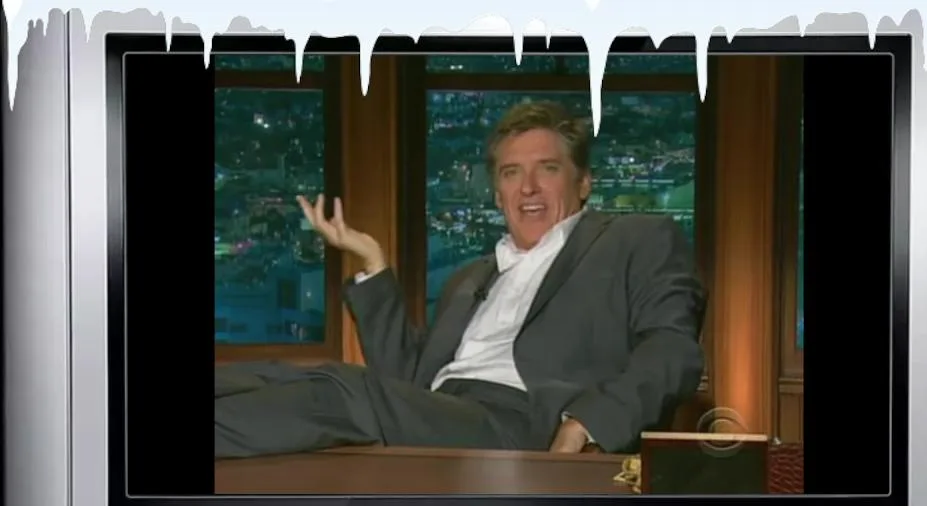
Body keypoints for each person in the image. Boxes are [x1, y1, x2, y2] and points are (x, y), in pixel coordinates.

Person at [215, 101, 705, 457]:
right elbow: (403, 382)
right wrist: (372, 262)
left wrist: (588, 423)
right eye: (511, 173)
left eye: (548, 169)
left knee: (340, 390)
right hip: (443, 414)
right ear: (497, 194)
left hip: (524, 423)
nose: (528, 187)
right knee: (276, 375)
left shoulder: (635, 239)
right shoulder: (472, 277)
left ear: (583, 183)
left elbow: (673, 349)